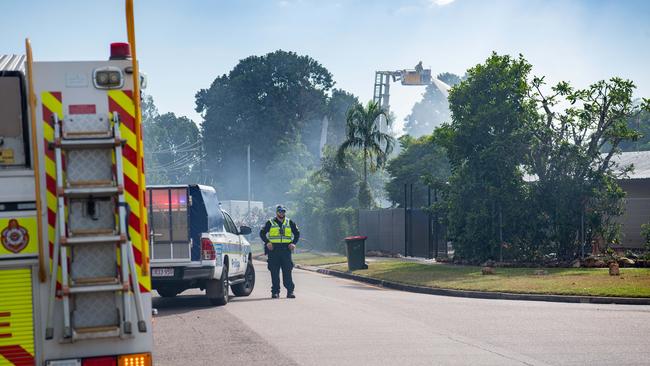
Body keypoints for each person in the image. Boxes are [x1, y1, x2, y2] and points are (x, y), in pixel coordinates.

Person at [260, 205, 300, 299]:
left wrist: (293, 243)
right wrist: (267, 242)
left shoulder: (290, 222)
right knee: (274, 273)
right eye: (280, 211)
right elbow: (262, 233)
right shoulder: (270, 222)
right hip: (273, 251)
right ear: (276, 212)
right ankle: (275, 292)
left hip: (286, 251)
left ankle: (290, 291)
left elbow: (297, 233)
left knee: (287, 272)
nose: (282, 213)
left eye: (283, 211)